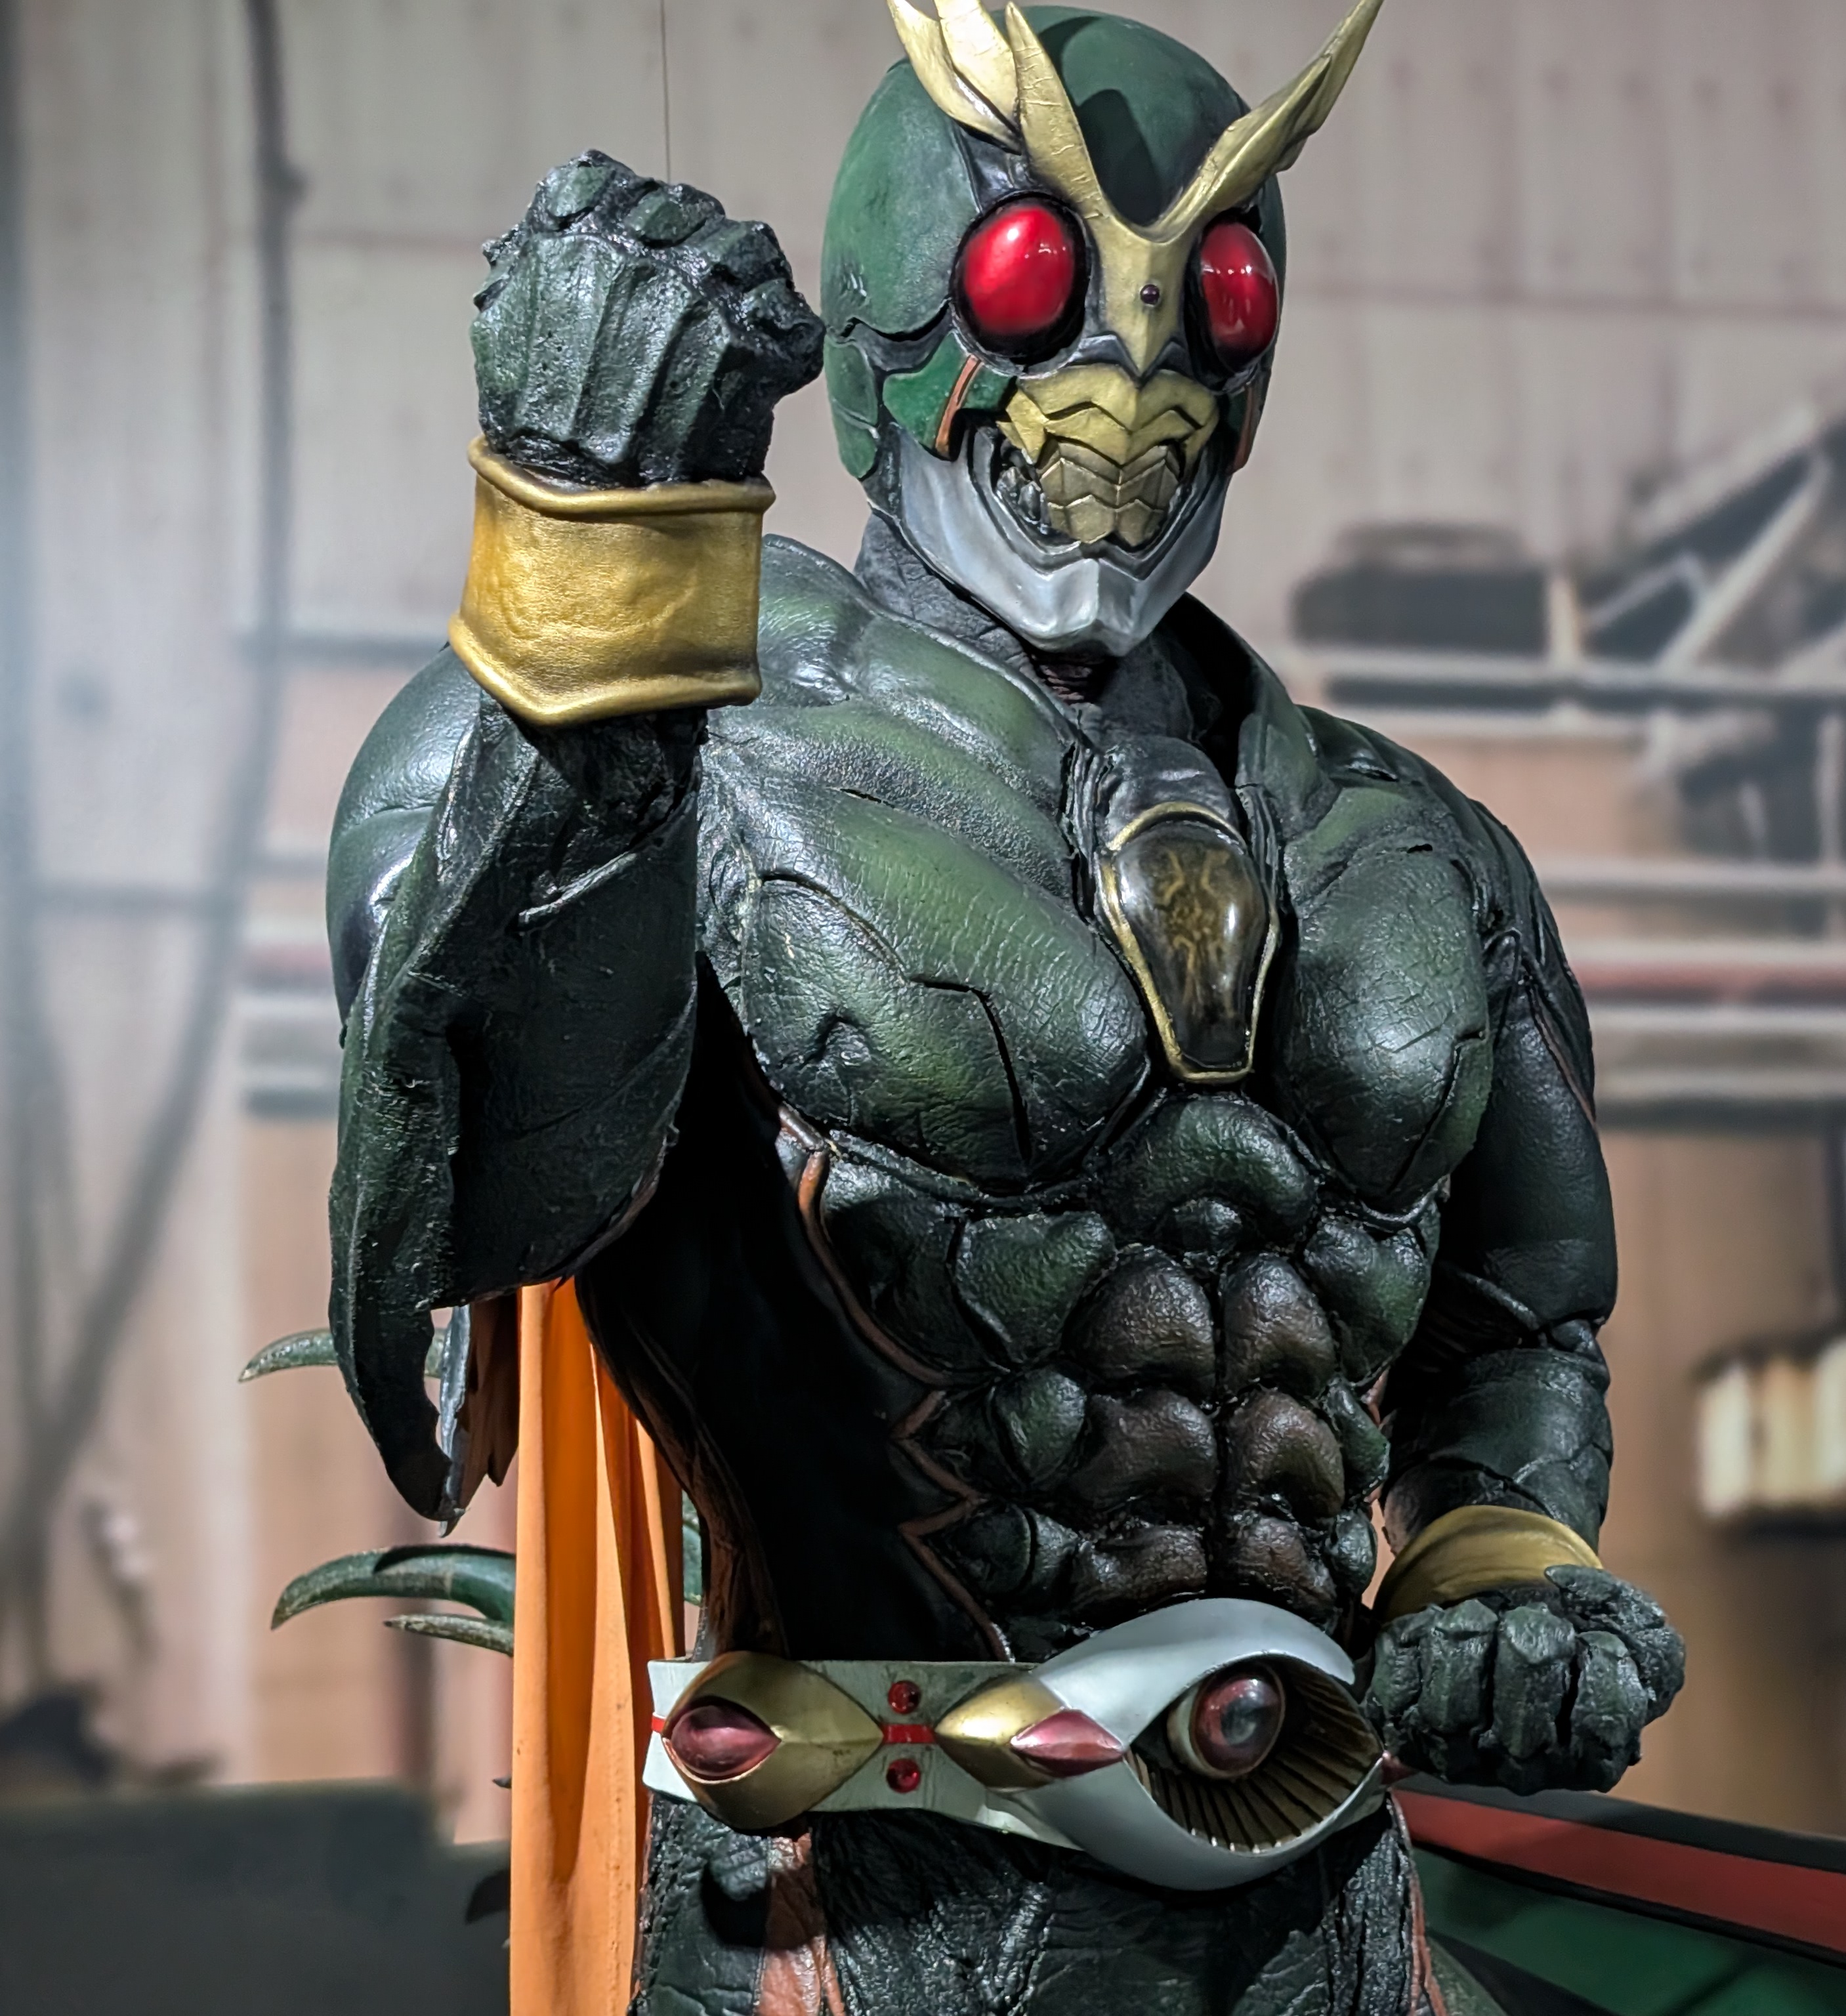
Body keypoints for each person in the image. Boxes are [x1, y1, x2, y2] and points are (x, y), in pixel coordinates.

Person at [323, 3, 1682, 2007]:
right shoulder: (699, 752)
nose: (1129, 383)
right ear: (897, 298)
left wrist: (1503, 1563)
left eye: (1211, 303)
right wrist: (588, 591)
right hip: (864, 1901)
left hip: (1320, 1898)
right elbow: (481, 1211)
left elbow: (1520, 1328)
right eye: (1040, 285)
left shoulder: (1414, 848)